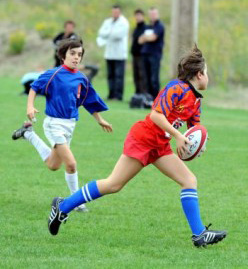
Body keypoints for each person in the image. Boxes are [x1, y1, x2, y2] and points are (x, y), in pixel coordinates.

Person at [47, 45, 227, 248]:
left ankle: (199, 234)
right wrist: (177, 135)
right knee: (113, 184)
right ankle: (62, 207)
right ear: (199, 74)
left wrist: (199, 140)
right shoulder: (176, 88)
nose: (208, 78)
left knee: (189, 180)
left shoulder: (195, 100)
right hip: (143, 138)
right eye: (207, 73)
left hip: (160, 145)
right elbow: (156, 115)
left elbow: (193, 130)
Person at [12, 39, 113, 212]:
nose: (76, 58)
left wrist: (100, 119)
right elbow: (34, 87)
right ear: (63, 55)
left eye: (79, 54)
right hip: (53, 124)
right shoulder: (54, 74)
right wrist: (30, 106)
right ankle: (77, 202)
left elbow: (89, 101)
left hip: (70, 126)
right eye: (72, 53)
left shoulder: (82, 78)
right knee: (71, 164)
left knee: (53, 165)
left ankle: (28, 134)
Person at [97, 5, 129, 101]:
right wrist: (111, 33)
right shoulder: (108, 22)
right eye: (113, 12)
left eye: (117, 12)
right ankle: (111, 94)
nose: (115, 14)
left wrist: (108, 33)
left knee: (118, 76)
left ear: (120, 12)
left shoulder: (124, 22)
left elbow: (119, 35)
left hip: (119, 54)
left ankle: (118, 95)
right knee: (110, 75)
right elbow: (101, 32)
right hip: (109, 53)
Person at [138, 7, 165, 100]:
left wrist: (146, 37)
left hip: (155, 55)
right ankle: (149, 97)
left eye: (154, 14)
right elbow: (139, 40)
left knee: (154, 78)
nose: (152, 16)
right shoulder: (148, 26)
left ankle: (156, 98)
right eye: (151, 14)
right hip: (145, 54)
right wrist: (147, 37)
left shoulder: (160, 26)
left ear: (157, 14)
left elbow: (153, 38)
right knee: (147, 78)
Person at [131, 9, 147, 95]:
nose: (137, 17)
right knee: (136, 75)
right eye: (136, 15)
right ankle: (137, 92)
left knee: (142, 75)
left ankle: (143, 92)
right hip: (135, 55)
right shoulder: (136, 28)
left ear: (143, 16)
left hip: (141, 55)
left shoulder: (145, 28)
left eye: (139, 15)